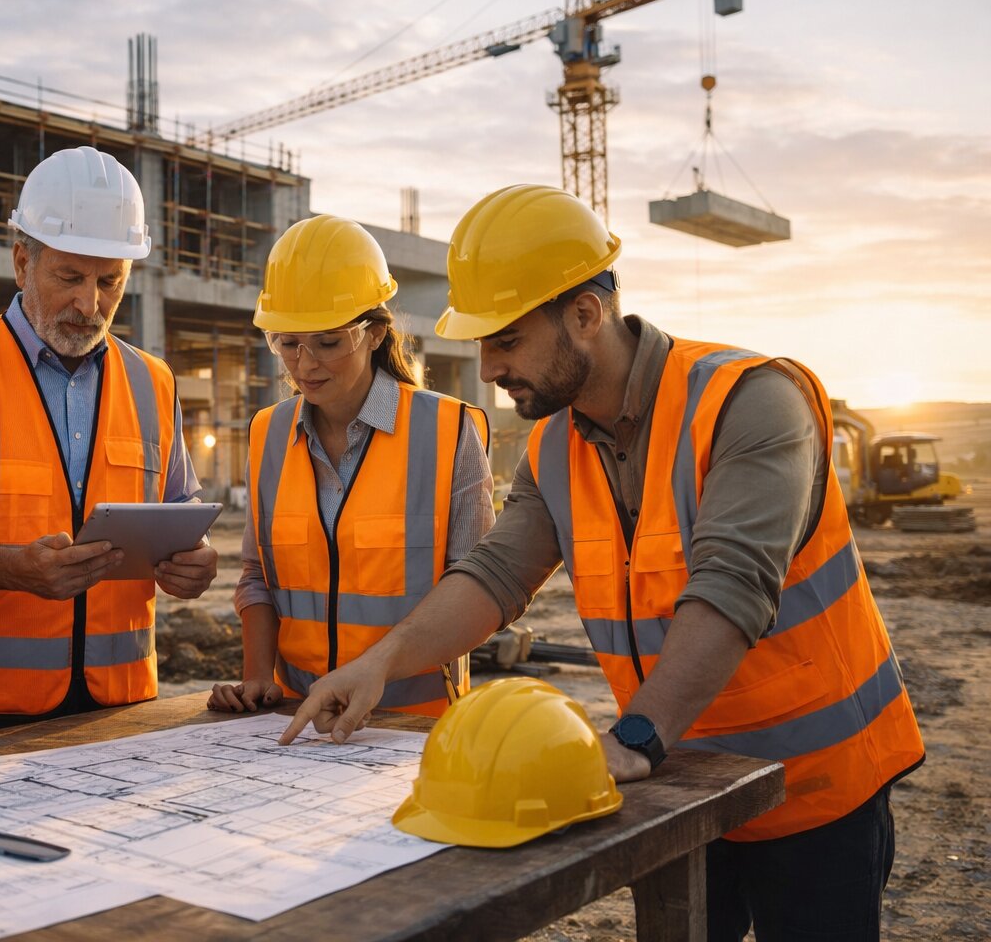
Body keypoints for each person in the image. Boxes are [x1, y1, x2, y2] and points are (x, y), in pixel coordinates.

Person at [281, 185, 924, 941]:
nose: (488, 368)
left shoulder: (750, 401)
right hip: (681, 785)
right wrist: (380, 663)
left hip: (814, 792)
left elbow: (731, 587)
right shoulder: (555, 446)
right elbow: (493, 577)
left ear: (585, 314)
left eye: (508, 340)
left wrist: (637, 740)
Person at [0, 145, 217, 735]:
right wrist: (10, 569)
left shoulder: (153, 382)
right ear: (23, 263)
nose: (90, 303)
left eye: (110, 282)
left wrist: (193, 564)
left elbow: (179, 509)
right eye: (70, 277)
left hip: (121, 711)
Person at [208, 215, 494, 717]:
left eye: (328, 342)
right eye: (288, 343)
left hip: (413, 728)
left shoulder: (448, 432)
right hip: (294, 720)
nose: (305, 364)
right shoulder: (267, 434)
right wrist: (257, 679)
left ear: (376, 333)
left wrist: (379, 669)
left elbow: (480, 590)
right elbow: (258, 575)